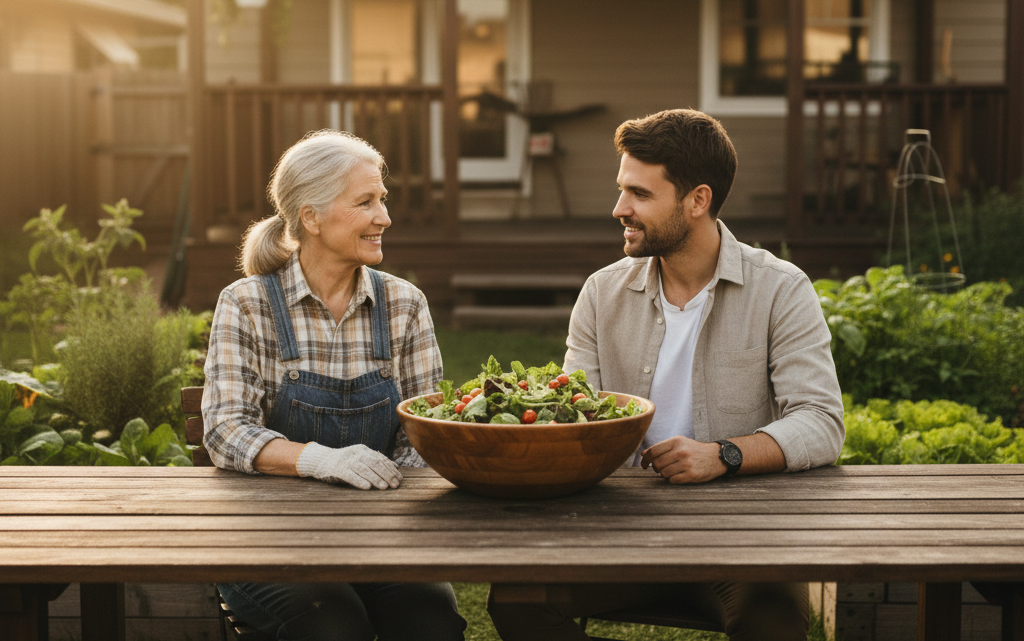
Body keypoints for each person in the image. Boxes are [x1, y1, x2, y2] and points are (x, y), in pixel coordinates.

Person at [487, 109, 845, 641]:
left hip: (737, 536)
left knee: (774, 621)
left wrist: (723, 454)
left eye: (639, 194)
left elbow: (821, 422)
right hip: (617, 525)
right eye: (620, 190)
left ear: (697, 200)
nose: (619, 209)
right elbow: (570, 415)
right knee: (518, 600)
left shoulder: (780, 290)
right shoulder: (602, 293)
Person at [202, 130, 467, 641]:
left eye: (382, 200)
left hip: (382, 538)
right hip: (271, 543)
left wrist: (380, 513)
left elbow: (425, 432)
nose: (384, 218)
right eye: (365, 202)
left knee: (429, 625)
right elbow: (224, 431)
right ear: (311, 217)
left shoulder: (404, 304)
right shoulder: (247, 303)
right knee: (333, 626)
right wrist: (321, 461)